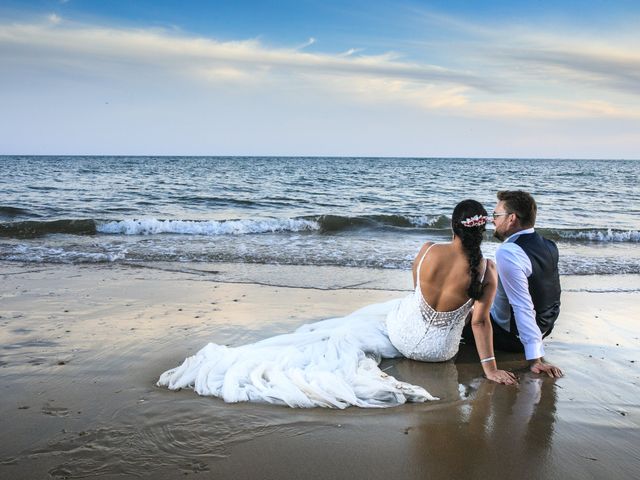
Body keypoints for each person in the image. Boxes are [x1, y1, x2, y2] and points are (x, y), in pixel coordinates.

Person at [158, 200, 516, 409]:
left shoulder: (425, 251)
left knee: (384, 314)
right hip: (439, 352)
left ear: (453, 226)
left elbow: (416, 291)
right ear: (482, 229)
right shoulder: (487, 270)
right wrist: (489, 370)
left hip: (404, 333)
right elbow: (479, 323)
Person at [464, 190, 562, 378]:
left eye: (496, 215)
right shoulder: (549, 245)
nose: (492, 220)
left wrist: (535, 360)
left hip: (511, 337)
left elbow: (522, 306)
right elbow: (551, 293)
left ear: (512, 218)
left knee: (454, 314)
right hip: (545, 328)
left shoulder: (509, 252)